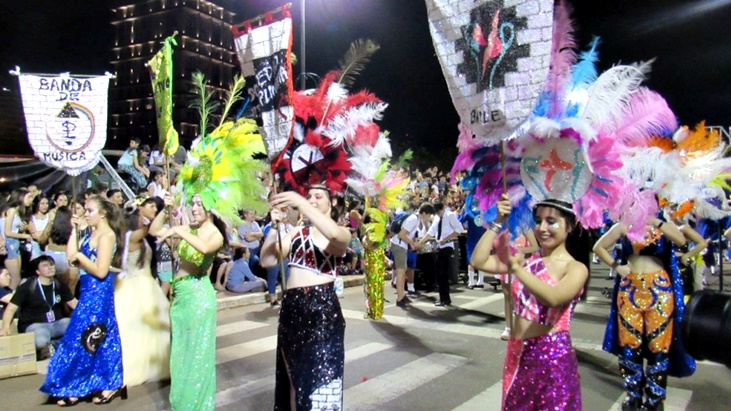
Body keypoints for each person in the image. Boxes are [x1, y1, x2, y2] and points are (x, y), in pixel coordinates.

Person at [471, 196, 587, 410]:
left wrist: (516, 269)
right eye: (538, 220)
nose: (543, 228)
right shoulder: (529, 262)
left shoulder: (575, 268)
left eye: (551, 221)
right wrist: (497, 222)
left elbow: (554, 298)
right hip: (517, 354)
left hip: (551, 357)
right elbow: (478, 261)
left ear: (569, 226)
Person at [260, 185, 350, 410]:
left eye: (318, 197)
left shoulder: (342, 231)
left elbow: (334, 235)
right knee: (293, 380)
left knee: (319, 380)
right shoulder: (297, 233)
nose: (312, 200)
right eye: (309, 196)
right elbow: (268, 261)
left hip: (322, 311)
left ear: (333, 202)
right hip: (292, 308)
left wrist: (301, 203)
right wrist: (274, 226)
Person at [594, 216, 695, 411]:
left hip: (660, 291)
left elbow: (681, 241)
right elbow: (598, 246)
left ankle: (655, 399)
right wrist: (616, 266)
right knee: (629, 342)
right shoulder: (623, 226)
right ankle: (633, 395)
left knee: (659, 344)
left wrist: (655, 221)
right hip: (629, 289)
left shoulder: (663, 226)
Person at [40, 197, 126, 406]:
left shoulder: (107, 236)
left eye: (89, 210)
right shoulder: (90, 233)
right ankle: (85, 383)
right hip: (87, 291)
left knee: (90, 336)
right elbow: (71, 257)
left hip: (99, 293)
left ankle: (105, 383)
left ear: (103, 213)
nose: (85, 214)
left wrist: (81, 256)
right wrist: (74, 232)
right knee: (91, 337)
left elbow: (101, 270)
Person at [150, 193, 225, 411]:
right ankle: (182, 404)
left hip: (199, 297)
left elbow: (204, 248)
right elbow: (155, 231)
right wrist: (165, 207)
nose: (194, 208)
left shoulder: (215, 234)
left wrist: (179, 231)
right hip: (181, 295)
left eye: (200, 204)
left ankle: (196, 406)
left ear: (211, 208)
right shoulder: (189, 228)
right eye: (193, 204)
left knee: (197, 356)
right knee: (181, 355)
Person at [115, 196, 171, 387]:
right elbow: (150, 229)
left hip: (147, 283)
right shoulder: (131, 237)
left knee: (152, 329)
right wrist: (163, 210)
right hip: (134, 285)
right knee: (136, 329)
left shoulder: (139, 238)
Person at [0, 256, 77, 359]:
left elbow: (73, 303)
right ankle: (49, 347)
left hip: (57, 323)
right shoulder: (27, 287)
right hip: (35, 325)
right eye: (45, 266)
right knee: (40, 341)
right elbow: (11, 308)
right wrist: (5, 327)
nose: (50, 268)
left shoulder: (59, 285)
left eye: (51, 265)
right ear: (37, 271)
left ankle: (52, 346)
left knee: (76, 326)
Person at [389, 203, 435, 307]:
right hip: (399, 245)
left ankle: (402, 294)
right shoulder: (414, 219)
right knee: (401, 272)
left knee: (403, 269)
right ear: (423, 213)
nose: (428, 218)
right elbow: (402, 234)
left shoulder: (415, 218)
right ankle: (400, 298)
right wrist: (412, 243)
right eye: (428, 215)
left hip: (401, 245)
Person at [421, 200, 465, 306]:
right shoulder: (436, 218)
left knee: (442, 272)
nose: (438, 214)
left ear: (442, 209)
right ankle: (443, 298)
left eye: (439, 212)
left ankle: (445, 299)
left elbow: (459, 229)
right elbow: (431, 231)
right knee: (440, 274)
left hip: (447, 245)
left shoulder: (450, 215)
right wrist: (421, 242)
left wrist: (446, 238)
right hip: (440, 246)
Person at [3, 188, 35, 289]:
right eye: (29, 197)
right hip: (9, 244)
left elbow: (13, 230)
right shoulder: (11, 210)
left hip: (15, 244)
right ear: (21, 197)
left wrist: (21, 229)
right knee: (15, 278)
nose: (31, 200)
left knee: (18, 277)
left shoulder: (17, 212)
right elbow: (7, 232)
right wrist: (24, 236)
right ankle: (10, 301)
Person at [44, 207, 76, 295]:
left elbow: (41, 239)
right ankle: (67, 307)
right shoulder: (72, 229)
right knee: (67, 287)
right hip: (65, 258)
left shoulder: (51, 227)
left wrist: (49, 223)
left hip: (50, 257)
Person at [28, 193, 52, 259]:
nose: (45, 206)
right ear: (37, 204)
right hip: (36, 246)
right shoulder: (31, 218)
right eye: (42, 203)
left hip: (48, 245)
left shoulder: (50, 216)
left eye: (47, 203)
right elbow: (35, 235)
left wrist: (40, 232)